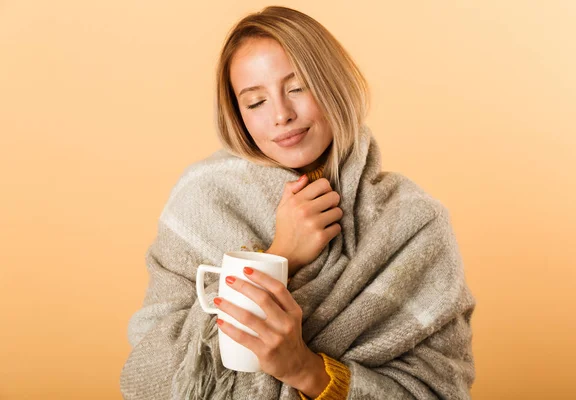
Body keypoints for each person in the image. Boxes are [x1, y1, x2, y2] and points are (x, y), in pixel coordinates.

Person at [120, 5, 476, 400]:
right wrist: (278, 257)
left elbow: (442, 390)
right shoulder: (202, 202)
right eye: (255, 102)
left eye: (298, 88)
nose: (281, 115)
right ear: (238, 116)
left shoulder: (414, 223)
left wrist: (304, 369)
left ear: (333, 84)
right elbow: (147, 376)